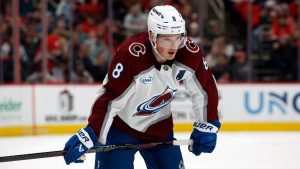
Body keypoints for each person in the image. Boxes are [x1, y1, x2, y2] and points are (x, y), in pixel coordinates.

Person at [63, 5, 221, 169]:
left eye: (178, 37)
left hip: (160, 129)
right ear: (152, 35)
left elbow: (205, 88)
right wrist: (91, 133)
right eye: (167, 38)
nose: (174, 45)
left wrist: (207, 124)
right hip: (119, 129)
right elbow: (111, 99)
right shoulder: (130, 55)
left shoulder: (189, 53)